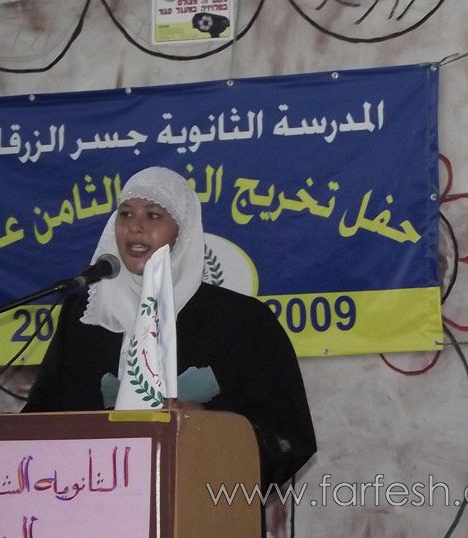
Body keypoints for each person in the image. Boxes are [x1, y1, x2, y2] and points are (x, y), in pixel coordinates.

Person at [24, 166, 316, 488]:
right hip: (91, 504)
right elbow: (40, 417)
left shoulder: (243, 321)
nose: (135, 227)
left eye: (153, 215)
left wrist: (208, 426)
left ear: (182, 232)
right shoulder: (84, 318)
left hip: (204, 505)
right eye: (125, 214)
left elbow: (289, 436)